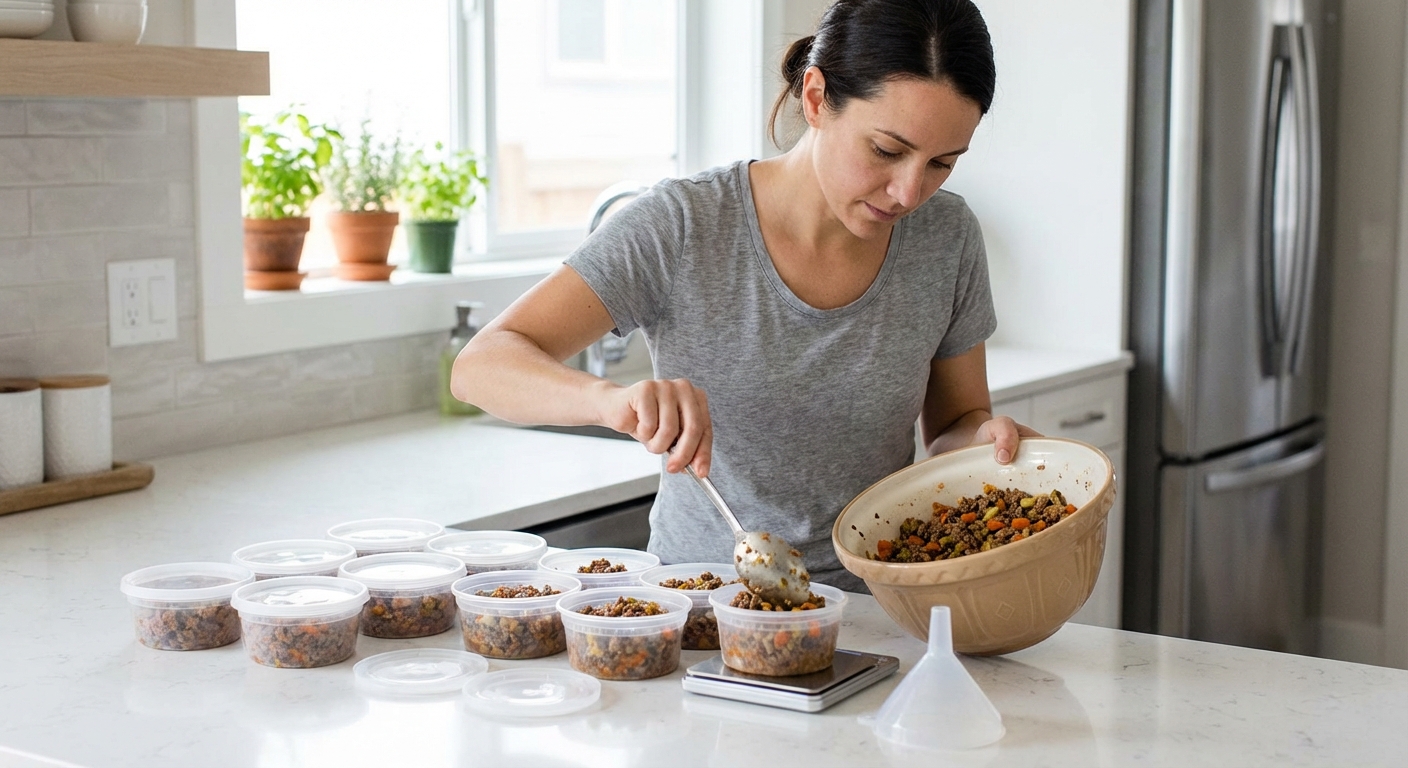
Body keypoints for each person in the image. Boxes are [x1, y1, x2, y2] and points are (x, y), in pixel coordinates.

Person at [453, 0, 1037, 591]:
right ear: (815, 98)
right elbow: (481, 366)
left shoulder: (948, 236)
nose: (910, 190)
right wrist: (609, 401)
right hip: (701, 605)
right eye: (886, 150)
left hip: (878, 606)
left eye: (942, 162)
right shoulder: (684, 225)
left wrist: (982, 442)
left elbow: (955, 424)